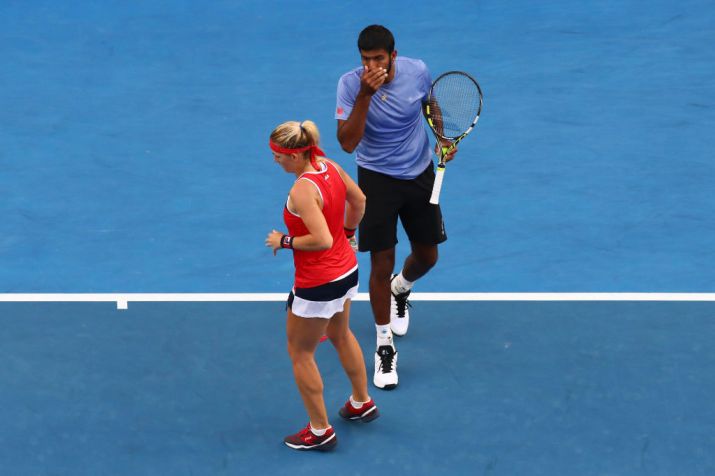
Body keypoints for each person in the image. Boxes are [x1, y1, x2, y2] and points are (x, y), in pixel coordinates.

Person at [335, 25, 457, 390]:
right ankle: (384, 344)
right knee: (380, 261)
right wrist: (365, 96)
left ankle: (400, 289)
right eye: (365, 60)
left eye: (379, 59)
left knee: (427, 257)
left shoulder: (417, 71)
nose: (372, 66)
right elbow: (346, 143)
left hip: (419, 172)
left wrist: (442, 136)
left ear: (394, 56)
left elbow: (428, 105)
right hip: (376, 179)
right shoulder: (350, 84)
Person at [265, 120, 378, 452]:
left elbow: (320, 239)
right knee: (341, 334)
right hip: (347, 273)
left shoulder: (301, 190)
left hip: (318, 284)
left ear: (297, 155)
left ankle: (320, 431)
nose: (276, 161)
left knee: (300, 353)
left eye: (279, 155)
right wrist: (350, 233)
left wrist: (283, 240)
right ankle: (361, 402)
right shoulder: (330, 165)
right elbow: (359, 201)